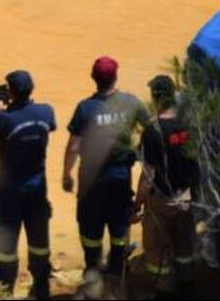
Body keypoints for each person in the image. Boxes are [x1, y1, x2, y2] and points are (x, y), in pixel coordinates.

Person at [62, 56, 152, 298]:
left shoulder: (85, 108)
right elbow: (151, 128)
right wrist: (139, 152)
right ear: (115, 76)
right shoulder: (131, 103)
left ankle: (93, 278)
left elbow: (74, 147)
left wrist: (66, 175)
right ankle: (115, 280)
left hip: (91, 182)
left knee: (91, 233)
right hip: (120, 179)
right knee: (119, 231)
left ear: (94, 77)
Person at [0, 70, 56, 300]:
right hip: (37, 191)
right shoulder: (46, 111)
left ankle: (4, 293)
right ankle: (41, 291)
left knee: (6, 251)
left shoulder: (3, 120)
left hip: (9, 194)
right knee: (39, 246)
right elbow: (49, 126)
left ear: (11, 93)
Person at [134, 75, 199, 299]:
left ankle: (165, 292)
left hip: (161, 201)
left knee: (156, 252)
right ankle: (188, 290)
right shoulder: (188, 125)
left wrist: (137, 204)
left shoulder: (153, 131)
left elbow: (148, 175)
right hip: (186, 197)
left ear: (156, 98)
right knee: (185, 250)